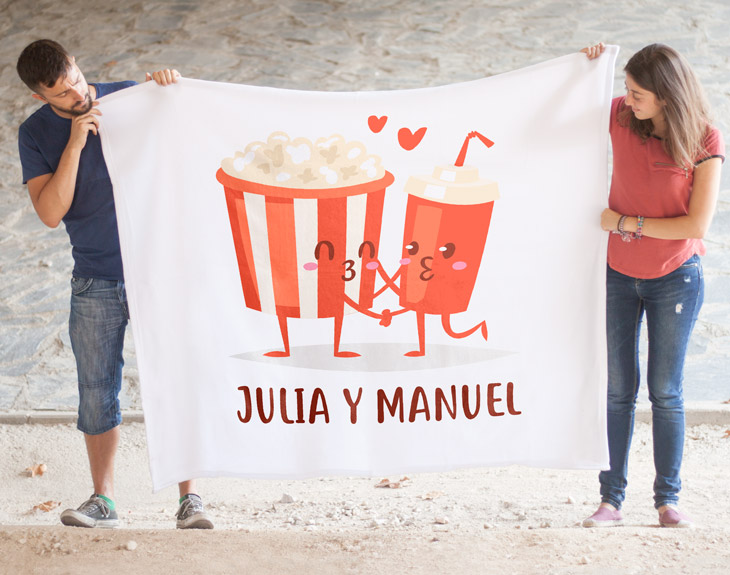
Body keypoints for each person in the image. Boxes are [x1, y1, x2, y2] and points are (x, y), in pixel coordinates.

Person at [16, 39, 214, 530]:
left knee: (175, 380)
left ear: (77, 65)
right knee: (96, 391)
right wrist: (76, 143)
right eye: (63, 93)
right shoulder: (35, 133)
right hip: (94, 278)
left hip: (159, 273)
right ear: (41, 96)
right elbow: (50, 212)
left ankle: (190, 500)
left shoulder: (129, 98)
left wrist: (169, 92)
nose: (78, 94)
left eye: (77, 80)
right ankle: (102, 501)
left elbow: (190, 145)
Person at [581, 43, 724, 528]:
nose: (627, 99)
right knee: (618, 390)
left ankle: (668, 501)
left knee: (666, 391)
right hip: (618, 274)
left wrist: (625, 223)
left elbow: (696, 225)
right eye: (625, 89)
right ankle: (611, 501)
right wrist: (588, 65)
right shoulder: (623, 117)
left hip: (676, 278)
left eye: (637, 93)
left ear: (665, 95)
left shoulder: (704, 140)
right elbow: (569, 104)